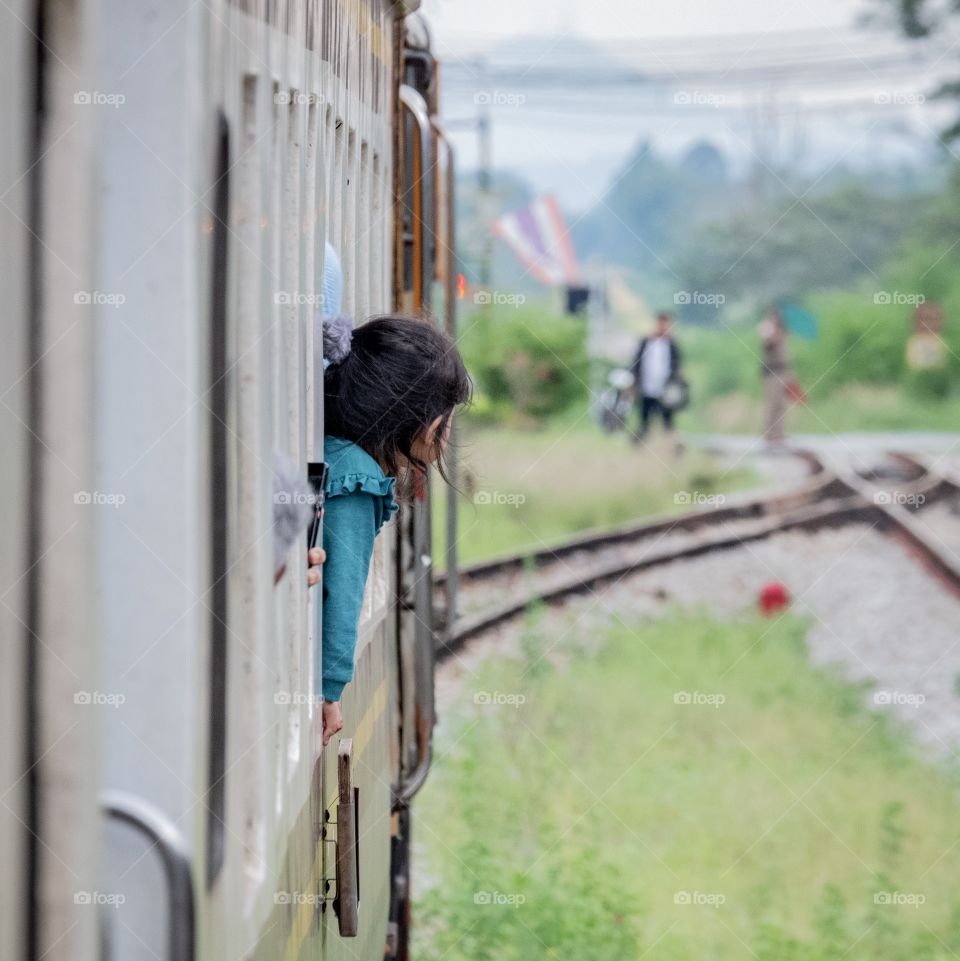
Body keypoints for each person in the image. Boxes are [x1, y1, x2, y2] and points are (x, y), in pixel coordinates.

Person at [319, 314, 470, 744]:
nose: (449, 426)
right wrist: (329, 690)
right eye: (446, 413)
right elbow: (341, 593)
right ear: (410, 415)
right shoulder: (356, 477)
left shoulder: (335, 451)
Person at [630, 311, 682, 440]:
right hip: (647, 386)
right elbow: (636, 362)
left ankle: (668, 444)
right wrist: (634, 382)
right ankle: (641, 443)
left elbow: (677, 365)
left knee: (667, 419)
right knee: (644, 417)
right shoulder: (646, 342)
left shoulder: (672, 345)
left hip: (666, 387)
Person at [758, 308, 791, 446]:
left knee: (780, 404)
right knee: (772, 403)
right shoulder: (768, 329)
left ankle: (778, 432)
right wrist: (776, 334)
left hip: (783, 370)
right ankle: (769, 433)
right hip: (772, 372)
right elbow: (768, 345)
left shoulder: (783, 332)